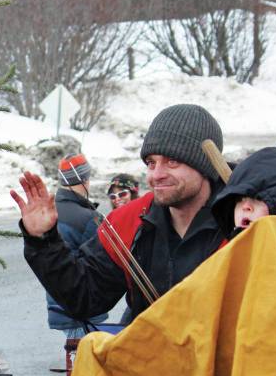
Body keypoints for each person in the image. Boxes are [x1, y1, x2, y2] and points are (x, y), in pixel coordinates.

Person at [13, 103, 227, 325]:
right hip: (153, 356)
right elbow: (85, 296)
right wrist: (43, 240)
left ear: (205, 165)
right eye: (151, 163)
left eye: (172, 161)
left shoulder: (242, 221)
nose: (157, 174)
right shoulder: (130, 222)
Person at [47, 154, 108, 338]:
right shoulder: (89, 219)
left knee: (74, 358)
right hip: (84, 310)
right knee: (85, 362)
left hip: (58, 304)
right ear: (84, 180)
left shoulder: (50, 211)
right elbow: (104, 263)